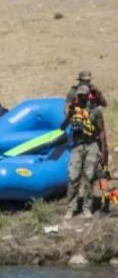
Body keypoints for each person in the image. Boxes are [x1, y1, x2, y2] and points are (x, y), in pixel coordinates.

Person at [62, 84, 110, 218]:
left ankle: (87, 208)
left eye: (84, 95)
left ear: (88, 96)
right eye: (80, 96)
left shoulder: (95, 111)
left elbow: (101, 133)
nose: (82, 98)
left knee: (89, 176)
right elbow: (62, 127)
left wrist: (103, 150)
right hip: (77, 145)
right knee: (73, 176)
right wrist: (69, 115)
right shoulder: (73, 110)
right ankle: (71, 208)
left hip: (91, 145)